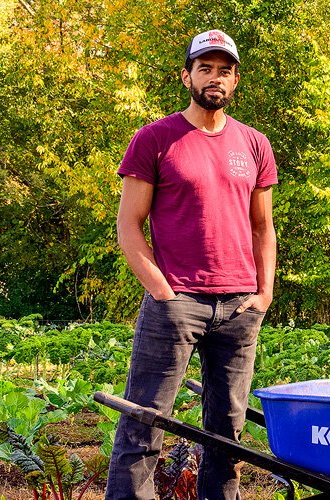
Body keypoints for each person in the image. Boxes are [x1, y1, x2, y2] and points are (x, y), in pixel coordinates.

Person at [109, 29, 278, 500]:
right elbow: (129, 225)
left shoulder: (254, 144)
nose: (214, 78)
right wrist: (163, 291)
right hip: (176, 303)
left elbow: (263, 228)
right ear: (187, 75)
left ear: (235, 81)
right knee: (145, 422)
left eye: (224, 71)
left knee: (227, 432)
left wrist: (263, 294)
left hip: (240, 306)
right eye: (205, 68)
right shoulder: (155, 139)